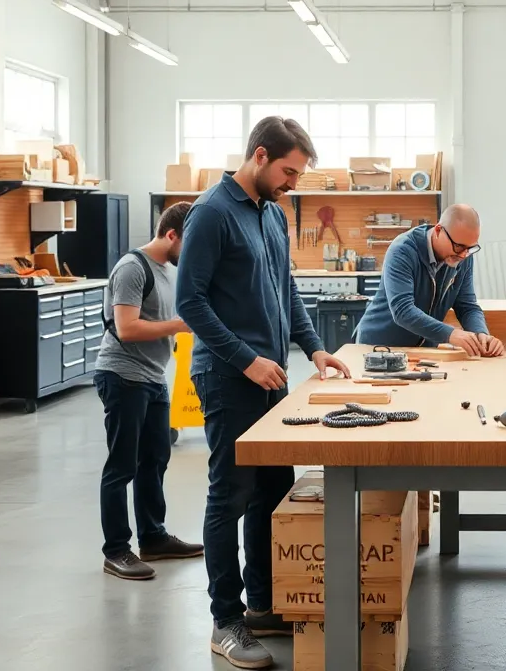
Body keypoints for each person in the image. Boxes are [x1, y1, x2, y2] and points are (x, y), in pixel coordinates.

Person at [176, 116, 353, 670]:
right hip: (229, 377)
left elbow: (285, 290)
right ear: (258, 156)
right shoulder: (211, 214)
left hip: (270, 376)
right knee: (229, 494)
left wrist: (315, 348)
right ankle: (224, 621)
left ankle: (263, 603)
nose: (294, 183)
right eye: (289, 171)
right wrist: (246, 360)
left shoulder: (272, 215)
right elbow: (190, 302)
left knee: (273, 490)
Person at [95, 201, 203, 581]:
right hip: (123, 375)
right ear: (171, 235)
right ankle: (116, 550)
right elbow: (126, 328)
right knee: (121, 466)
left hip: (154, 377)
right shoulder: (132, 268)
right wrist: (177, 325)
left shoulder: (169, 270)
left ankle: (153, 538)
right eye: (189, 243)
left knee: (154, 460)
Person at [354, 203, 506, 357]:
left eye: (470, 248)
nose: (463, 255)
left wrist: (481, 334)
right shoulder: (403, 250)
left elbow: (467, 306)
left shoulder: (463, 256)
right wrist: (451, 334)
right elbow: (403, 311)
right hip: (379, 348)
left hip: (422, 351)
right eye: (458, 247)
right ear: (439, 231)